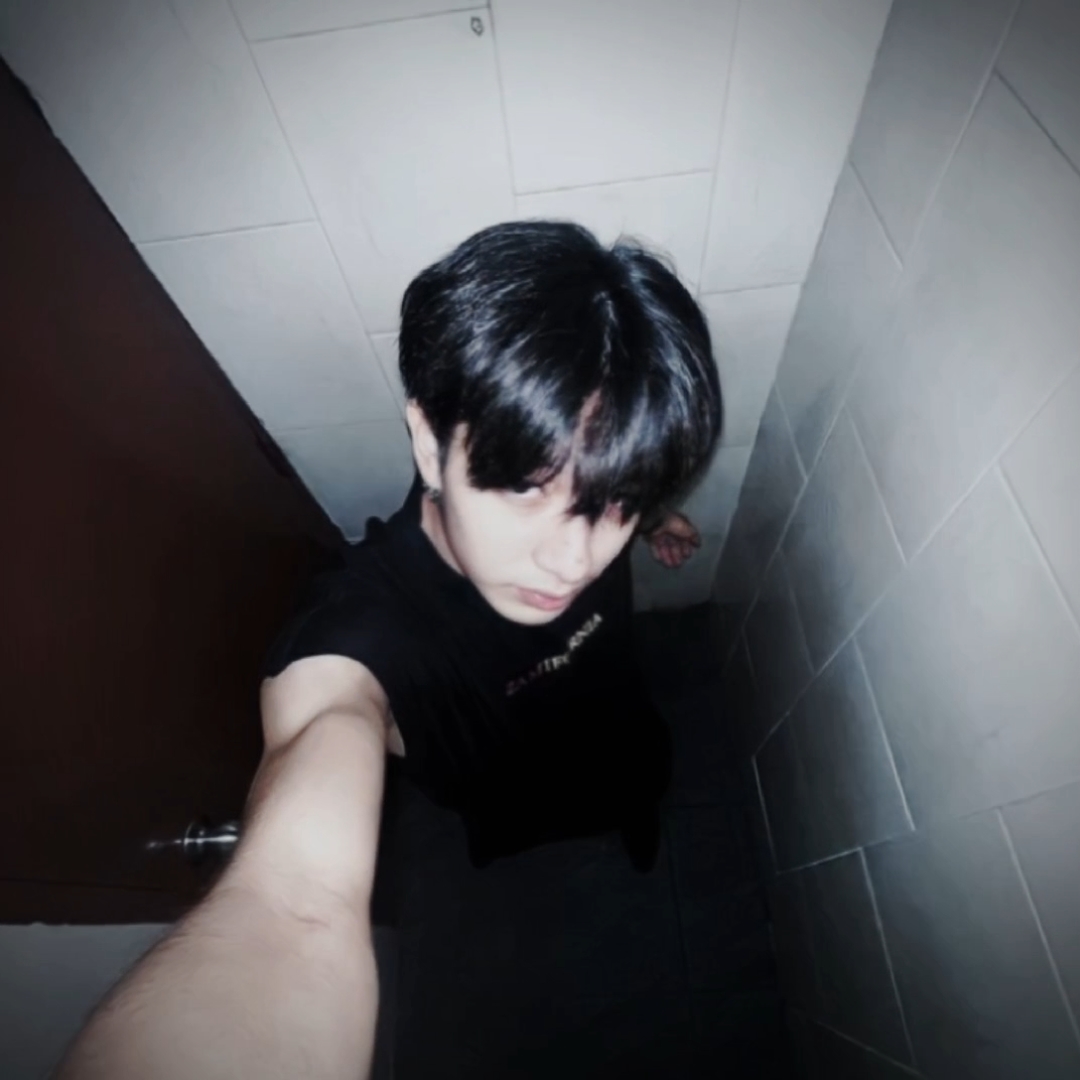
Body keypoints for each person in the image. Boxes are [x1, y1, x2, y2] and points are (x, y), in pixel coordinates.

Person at [57, 221, 722, 1080]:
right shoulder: (351, 644)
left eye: (614, 502)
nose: (575, 560)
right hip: (512, 800)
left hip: (617, 729)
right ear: (428, 442)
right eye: (528, 493)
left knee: (635, 790)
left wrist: (653, 511)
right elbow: (292, 911)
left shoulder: (569, 491)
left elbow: (609, 477)